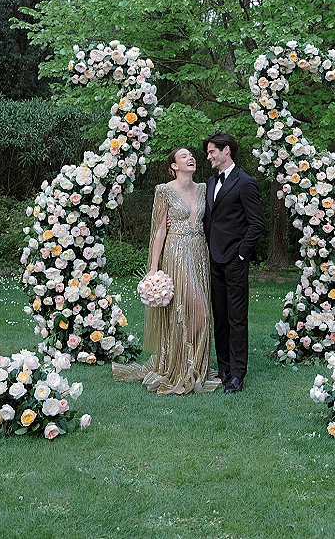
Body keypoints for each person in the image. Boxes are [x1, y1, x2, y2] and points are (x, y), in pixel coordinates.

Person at [112, 147, 221, 395]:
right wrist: (153, 267)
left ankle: (188, 362)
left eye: (191, 155)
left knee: (198, 310)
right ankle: (178, 360)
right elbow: (160, 230)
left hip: (200, 252)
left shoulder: (204, 188)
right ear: (173, 165)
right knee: (197, 311)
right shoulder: (164, 190)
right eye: (184, 156)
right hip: (177, 251)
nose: (191, 158)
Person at [203, 131, 265, 393]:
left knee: (237, 318)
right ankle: (224, 368)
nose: (208, 157)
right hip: (213, 260)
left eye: (211, 151)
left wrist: (241, 254)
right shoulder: (208, 182)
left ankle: (238, 374)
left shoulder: (245, 182)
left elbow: (257, 223)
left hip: (235, 261)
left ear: (226, 150)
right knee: (220, 317)